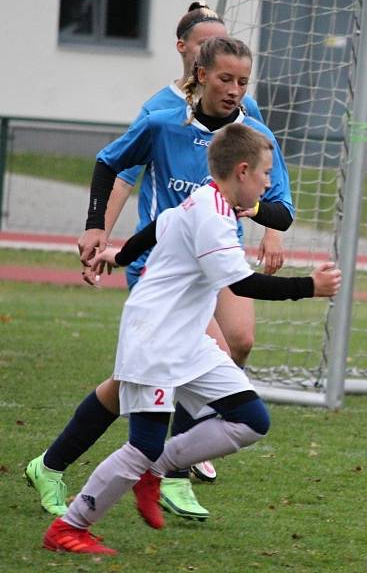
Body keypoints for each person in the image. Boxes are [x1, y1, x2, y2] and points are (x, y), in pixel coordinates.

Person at [26, 33, 293, 522]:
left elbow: (282, 211)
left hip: (217, 261)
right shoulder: (163, 122)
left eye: (243, 82)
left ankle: (52, 463)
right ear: (200, 74)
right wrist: (96, 229)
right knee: (202, 353)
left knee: (235, 342)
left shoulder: (253, 137)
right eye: (226, 79)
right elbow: (111, 164)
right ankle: (168, 474)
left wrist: (255, 212)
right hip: (163, 266)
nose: (235, 90)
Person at [42, 123, 341, 555]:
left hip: (187, 338)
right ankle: (70, 527)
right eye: (266, 173)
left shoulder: (209, 197)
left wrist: (119, 255)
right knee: (141, 443)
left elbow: (161, 224)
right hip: (157, 335)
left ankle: (157, 468)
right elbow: (242, 285)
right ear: (242, 171)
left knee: (251, 418)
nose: (269, 182)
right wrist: (310, 287)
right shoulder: (213, 216)